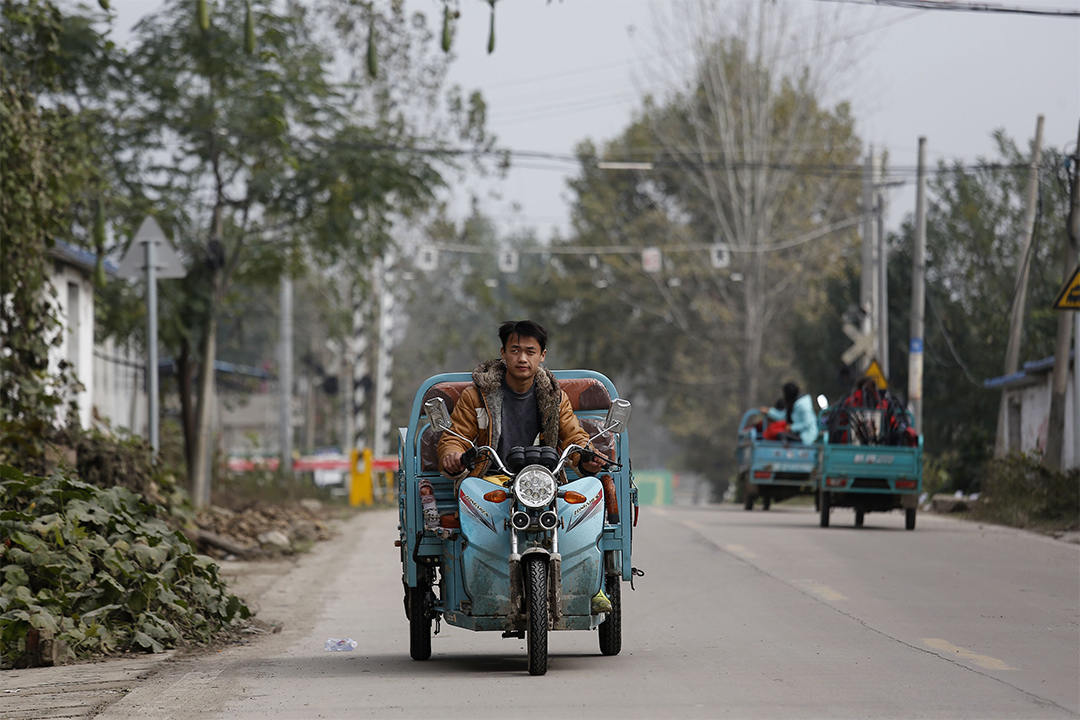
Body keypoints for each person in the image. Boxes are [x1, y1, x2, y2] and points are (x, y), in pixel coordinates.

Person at [437, 319, 611, 612]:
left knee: (585, 509)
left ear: (542, 355)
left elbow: (575, 436)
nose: (522, 358)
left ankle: (593, 586)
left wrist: (588, 456)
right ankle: (479, 588)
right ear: (503, 353)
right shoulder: (475, 397)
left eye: (530, 351)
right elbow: (454, 439)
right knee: (478, 512)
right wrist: (453, 455)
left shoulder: (555, 398)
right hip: (491, 480)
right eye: (515, 350)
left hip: (545, 479)